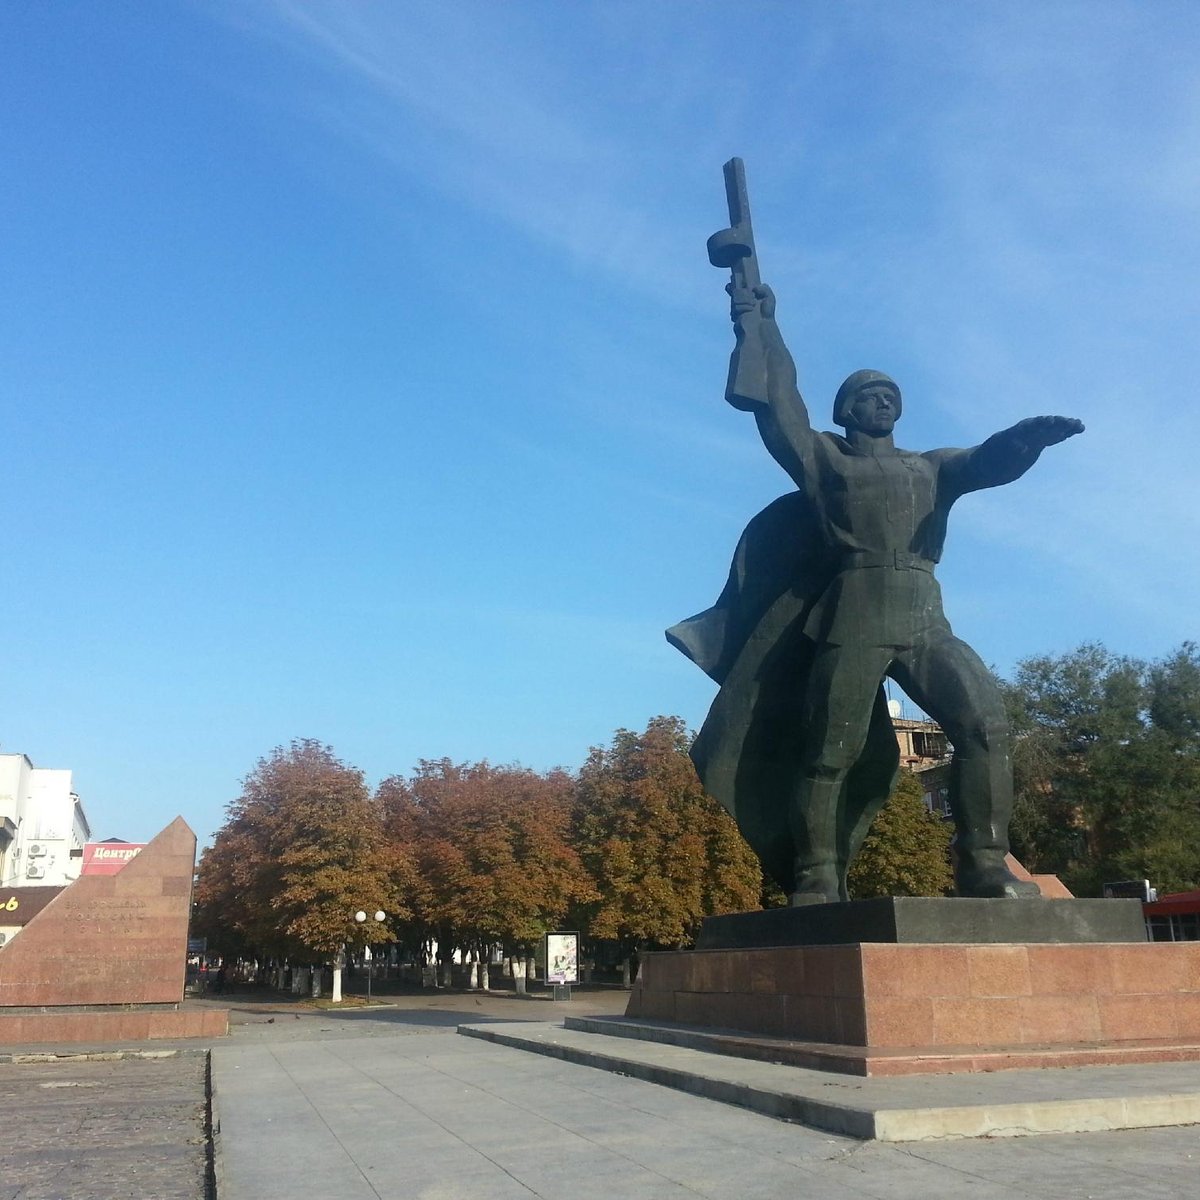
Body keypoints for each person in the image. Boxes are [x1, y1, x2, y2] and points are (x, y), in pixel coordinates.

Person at [669, 283, 1083, 905]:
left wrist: (1023, 440)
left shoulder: (932, 467)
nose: (883, 402)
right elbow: (778, 405)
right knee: (830, 750)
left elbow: (986, 462)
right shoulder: (826, 463)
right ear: (846, 411)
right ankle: (817, 874)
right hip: (852, 613)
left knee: (985, 725)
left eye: (891, 395)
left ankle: (985, 866)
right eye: (869, 395)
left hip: (925, 618)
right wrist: (758, 324)